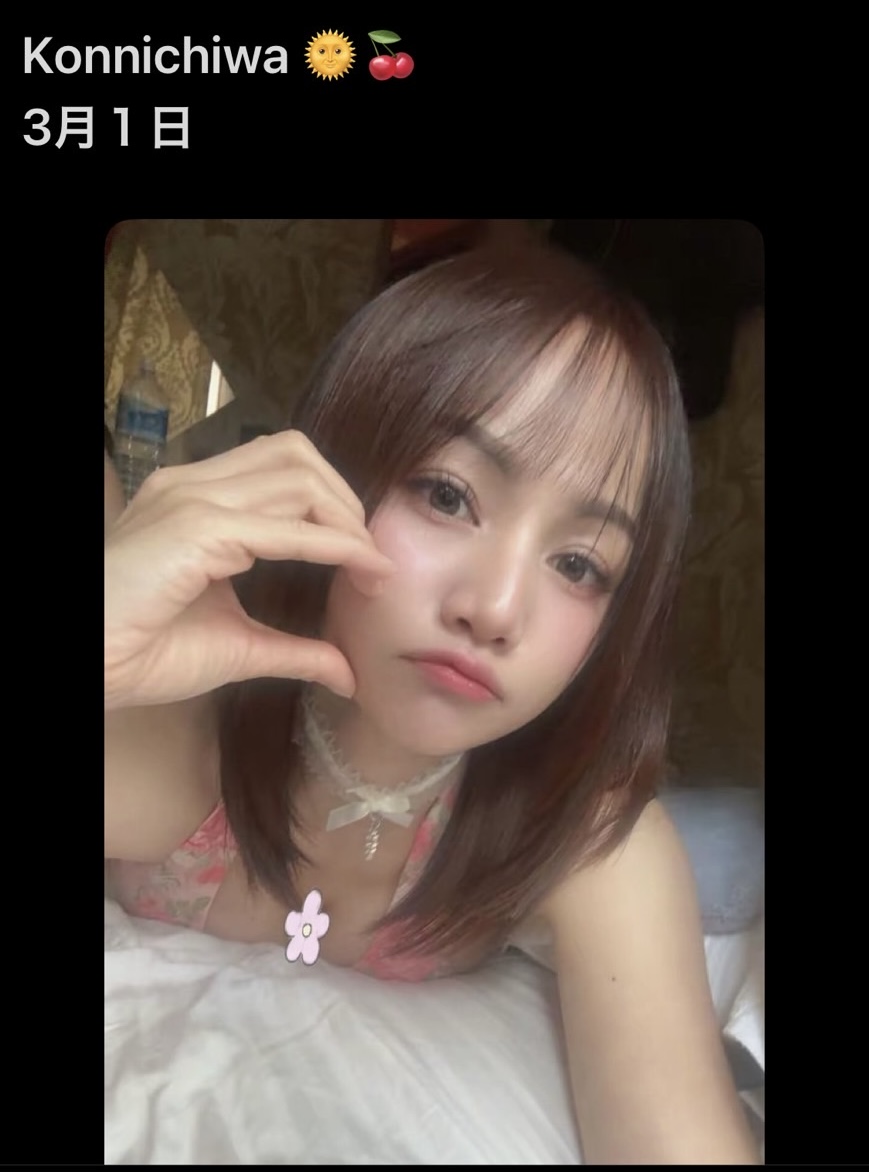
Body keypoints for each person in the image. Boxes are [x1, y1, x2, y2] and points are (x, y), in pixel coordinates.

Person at [104, 240, 760, 1163]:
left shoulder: (585, 839)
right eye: (447, 495)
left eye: (578, 565)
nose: (493, 609)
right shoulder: (184, 737)